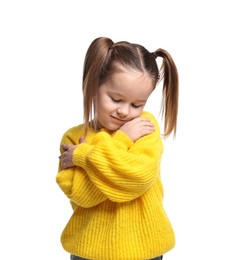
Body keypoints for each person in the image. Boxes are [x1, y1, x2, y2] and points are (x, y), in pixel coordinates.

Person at [56, 36, 179, 260]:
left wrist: (85, 156)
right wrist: (120, 144)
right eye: (115, 99)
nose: (124, 111)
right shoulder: (74, 138)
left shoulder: (145, 127)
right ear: (93, 86)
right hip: (88, 252)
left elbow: (135, 179)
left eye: (136, 104)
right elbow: (81, 195)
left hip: (144, 251)